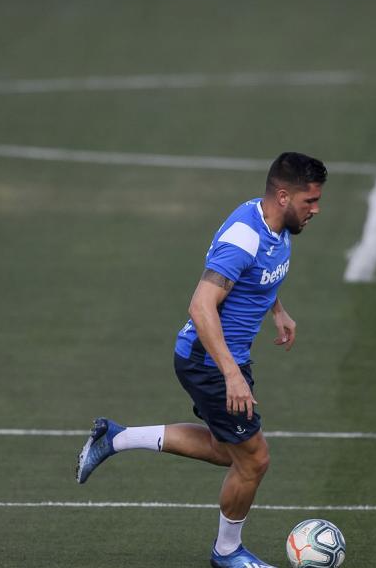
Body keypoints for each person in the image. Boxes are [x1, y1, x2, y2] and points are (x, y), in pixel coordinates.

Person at [75, 152, 326, 568]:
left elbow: (257, 275)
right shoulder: (244, 237)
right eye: (310, 201)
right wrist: (231, 375)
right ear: (283, 196)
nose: (315, 209)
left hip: (225, 359)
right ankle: (227, 553)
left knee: (227, 451)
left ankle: (114, 438)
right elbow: (200, 305)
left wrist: (277, 310)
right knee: (254, 459)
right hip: (210, 362)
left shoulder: (275, 223)